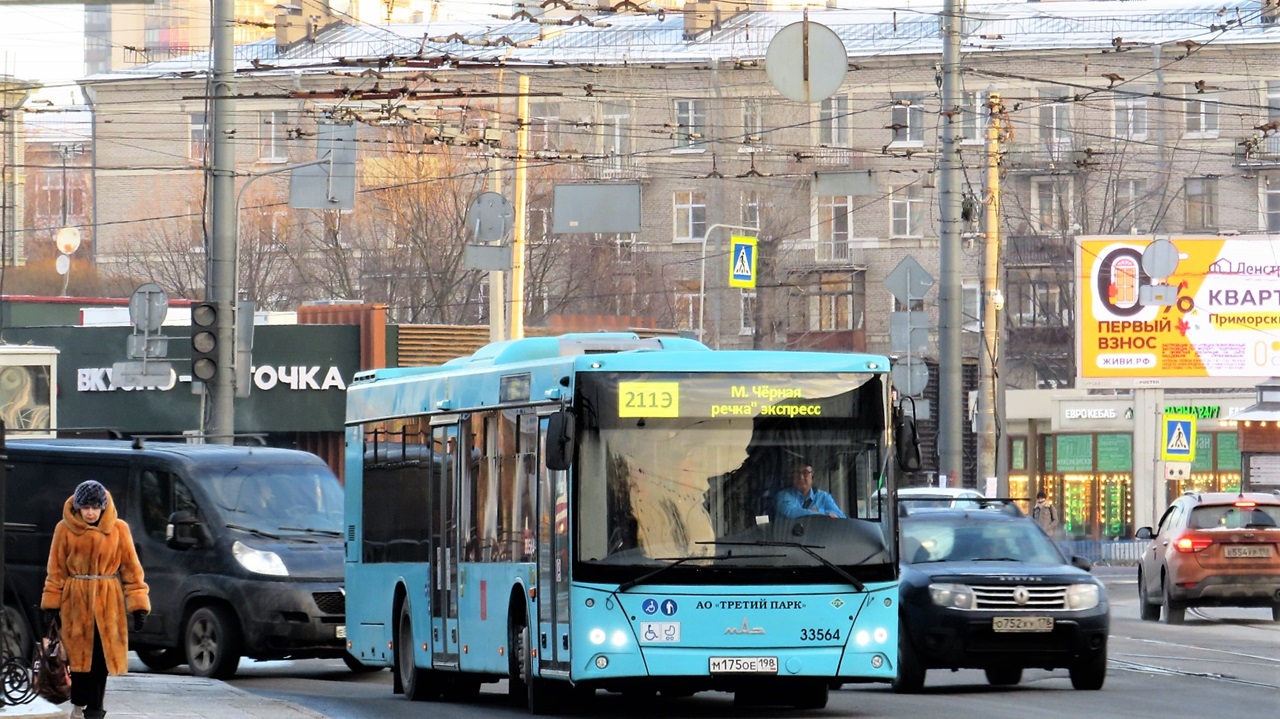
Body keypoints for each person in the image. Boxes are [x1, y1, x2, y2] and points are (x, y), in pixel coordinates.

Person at [41, 480, 150, 719]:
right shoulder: (64, 529)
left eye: (95, 507)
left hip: (108, 601)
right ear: (77, 507)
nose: (90, 512)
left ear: (103, 507)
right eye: (85, 507)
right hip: (75, 601)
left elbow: (132, 570)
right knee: (79, 660)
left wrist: (138, 605)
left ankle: (95, 710)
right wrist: (51, 604)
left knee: (101, 659)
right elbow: (56, 570)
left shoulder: (119, 529)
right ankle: (79, 703)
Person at [775, 461, 846, 519]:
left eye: (805, 472)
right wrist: (821, 514)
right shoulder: (783, 496)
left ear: (812, 476)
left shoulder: (823, 496)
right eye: (797, 473)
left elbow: (841, 517)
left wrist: (818, 510)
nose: (801, 477)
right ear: (792, 477)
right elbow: (790, 513)